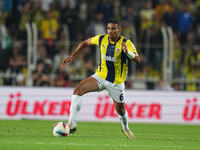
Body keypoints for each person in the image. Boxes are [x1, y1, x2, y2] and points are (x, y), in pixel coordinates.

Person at [62, 20, 142, 139]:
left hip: (116, 83)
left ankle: (125, 128)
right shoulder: (101, 39)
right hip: (99, 77)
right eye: (109, 28)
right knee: (78, 90)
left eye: (113, 29)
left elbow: (138, 59)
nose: (110, 31)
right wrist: (72, 55)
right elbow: (85, 42)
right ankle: (72, 124)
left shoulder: (126, 42)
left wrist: (128, 53)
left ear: (118, 30)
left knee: (120, 110)